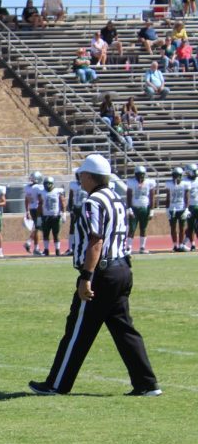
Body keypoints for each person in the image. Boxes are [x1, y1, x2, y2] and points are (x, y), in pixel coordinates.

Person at [29, 154, 160, 397]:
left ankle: (57, 384)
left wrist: (87, 276)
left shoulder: (93, 202)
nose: (80, 179)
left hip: (103, 272)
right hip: (122, 268)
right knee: (123, 329)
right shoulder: (116, 198)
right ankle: (147, 384)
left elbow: (96, 241)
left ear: (90, 176)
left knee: (77, 330)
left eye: (82, 175)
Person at [126, 166, 155, 254]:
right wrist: (129, 208)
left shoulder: (149, 182)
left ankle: (142, 247)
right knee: (132, 228)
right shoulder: (131, 182)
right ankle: (129, 248)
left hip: (144, 208)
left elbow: (152, 197)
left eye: (142, 175)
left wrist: (151, 210)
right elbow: (129, 196)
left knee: (143, 228)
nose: (141, 177)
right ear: (136, 175)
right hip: (134, 208)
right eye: (139, 175)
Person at [164, 167, 188, 251]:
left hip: (181, 208)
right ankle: (175, 245)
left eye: (178, 175)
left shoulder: (185, 184)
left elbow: (186, 197)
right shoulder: (169, 184)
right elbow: (167, 197)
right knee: (173, 228)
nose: (176, 177)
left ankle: (181, 244)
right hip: (172, 208)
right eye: (175, 175)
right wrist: (167, 209)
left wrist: (186, 208)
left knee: (182, 228)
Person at [40, 176, 65, 256]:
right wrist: (39, 216)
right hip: (46, 215)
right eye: (46, 184)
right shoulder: (42, 192)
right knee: (45, 234)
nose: (47, 185)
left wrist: (63, 213)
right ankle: (46, 250)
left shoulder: (57, 191)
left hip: (55, 215)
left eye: (49, 183)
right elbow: (40, 204)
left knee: (56, 234)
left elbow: (62, 202)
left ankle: (57, 250)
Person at [23, 171, 44, 256]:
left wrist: (27, 211)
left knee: (37, 228)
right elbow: (41, 199)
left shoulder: (27, 187)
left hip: (32, 209)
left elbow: (26, 200)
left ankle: (28, 242)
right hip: (38, 209)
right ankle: (36, 248)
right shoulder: (38, 187)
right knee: (39, 229)